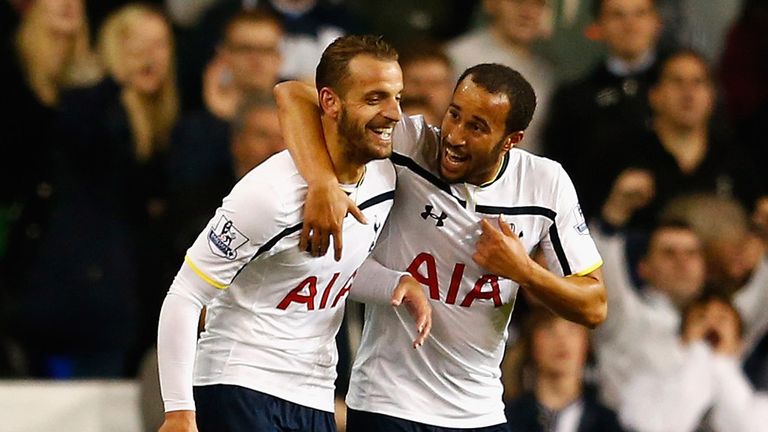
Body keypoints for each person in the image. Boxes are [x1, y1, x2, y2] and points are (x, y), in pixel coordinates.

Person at [275, 62, 606, 430]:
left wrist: (524, 271)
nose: (455, 136)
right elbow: (294, 93)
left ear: (512, 139)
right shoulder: (409, 144)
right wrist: (322, 183)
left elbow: (593, 306)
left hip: (479, 410)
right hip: (387, 403)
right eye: (454, 114)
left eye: (477, 127)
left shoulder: (545, 184)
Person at [157, 35, 431, 432]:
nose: (393, 113)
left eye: (398, 97)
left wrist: (395, 283)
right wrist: (179, 411)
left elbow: (327, 275)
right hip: (241, 383)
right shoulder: (268, 197)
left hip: (314, 393)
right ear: (331, 103)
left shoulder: (384, 177)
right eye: (375, 98)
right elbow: (185, 293)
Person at [544, 0, 663, 220]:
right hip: (593, 228)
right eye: (618, 15)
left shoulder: (686, 85)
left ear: (657, 22)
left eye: (640, 14)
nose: (630, 24)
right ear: (599, 26)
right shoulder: (575, 98)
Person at [619, 292, 768, 432]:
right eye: (701, 318)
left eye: (722, 319)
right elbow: (666, 424)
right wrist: (700, 354)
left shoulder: (757, 398)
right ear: (681, 339)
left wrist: (720, 364)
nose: (711, 324)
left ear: (739, 345)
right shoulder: (645, 385)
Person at [447, 0, 554, 154]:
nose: (528, 12)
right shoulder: (455, 57)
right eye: (518, 2)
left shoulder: (547, 72)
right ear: (490, 4)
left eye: (538, 4)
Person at [504, 308, 625, 432]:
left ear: (586, 341)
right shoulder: (505, 420)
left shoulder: (608, 423)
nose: (562, 341)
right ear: (532, 340)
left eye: (572, 329)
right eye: (549, 329)